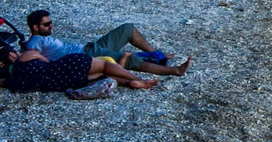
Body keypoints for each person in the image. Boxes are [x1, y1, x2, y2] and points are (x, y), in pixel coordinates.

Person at [19, 10, 190, 75]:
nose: (51, 26)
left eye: (50, 22)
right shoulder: (35, 42)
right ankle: (174, 71)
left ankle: (156, 54)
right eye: (46, 24)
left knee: (127, 28)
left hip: (90, 47)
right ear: (35, 27)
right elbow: (33, 60)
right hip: (87, 56)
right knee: (129, 59)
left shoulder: (40, 38)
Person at [3, 41, 161, 93]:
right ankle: (137, 79)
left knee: (104, 77)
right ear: (11, 55)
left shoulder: (14, 81)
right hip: (66, 66)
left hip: (64, 84)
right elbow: (47, 62)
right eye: (14, 51)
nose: (17, 52)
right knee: (105, 65)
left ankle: (128, 83)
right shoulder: (25, 57)